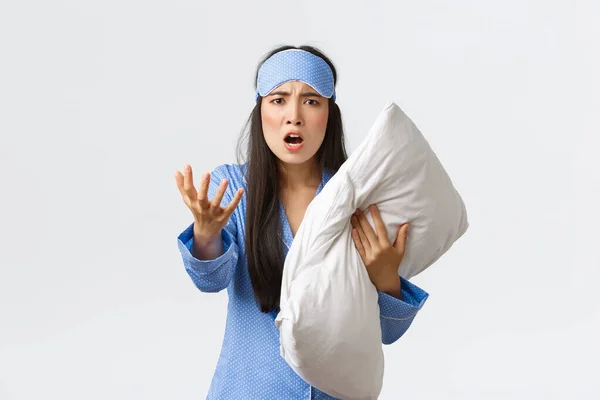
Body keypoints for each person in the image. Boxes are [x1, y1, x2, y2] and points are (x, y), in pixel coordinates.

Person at [174, 45, 429, 400]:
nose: (294, 116)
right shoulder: (230, 187)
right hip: (248, 391)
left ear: (330, 114)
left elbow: (385, 333)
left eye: (311, 101)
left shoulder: (357, 198)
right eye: (278, 100)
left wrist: (387, 279)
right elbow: (210, 280)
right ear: (260, 110)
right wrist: (206, 234)